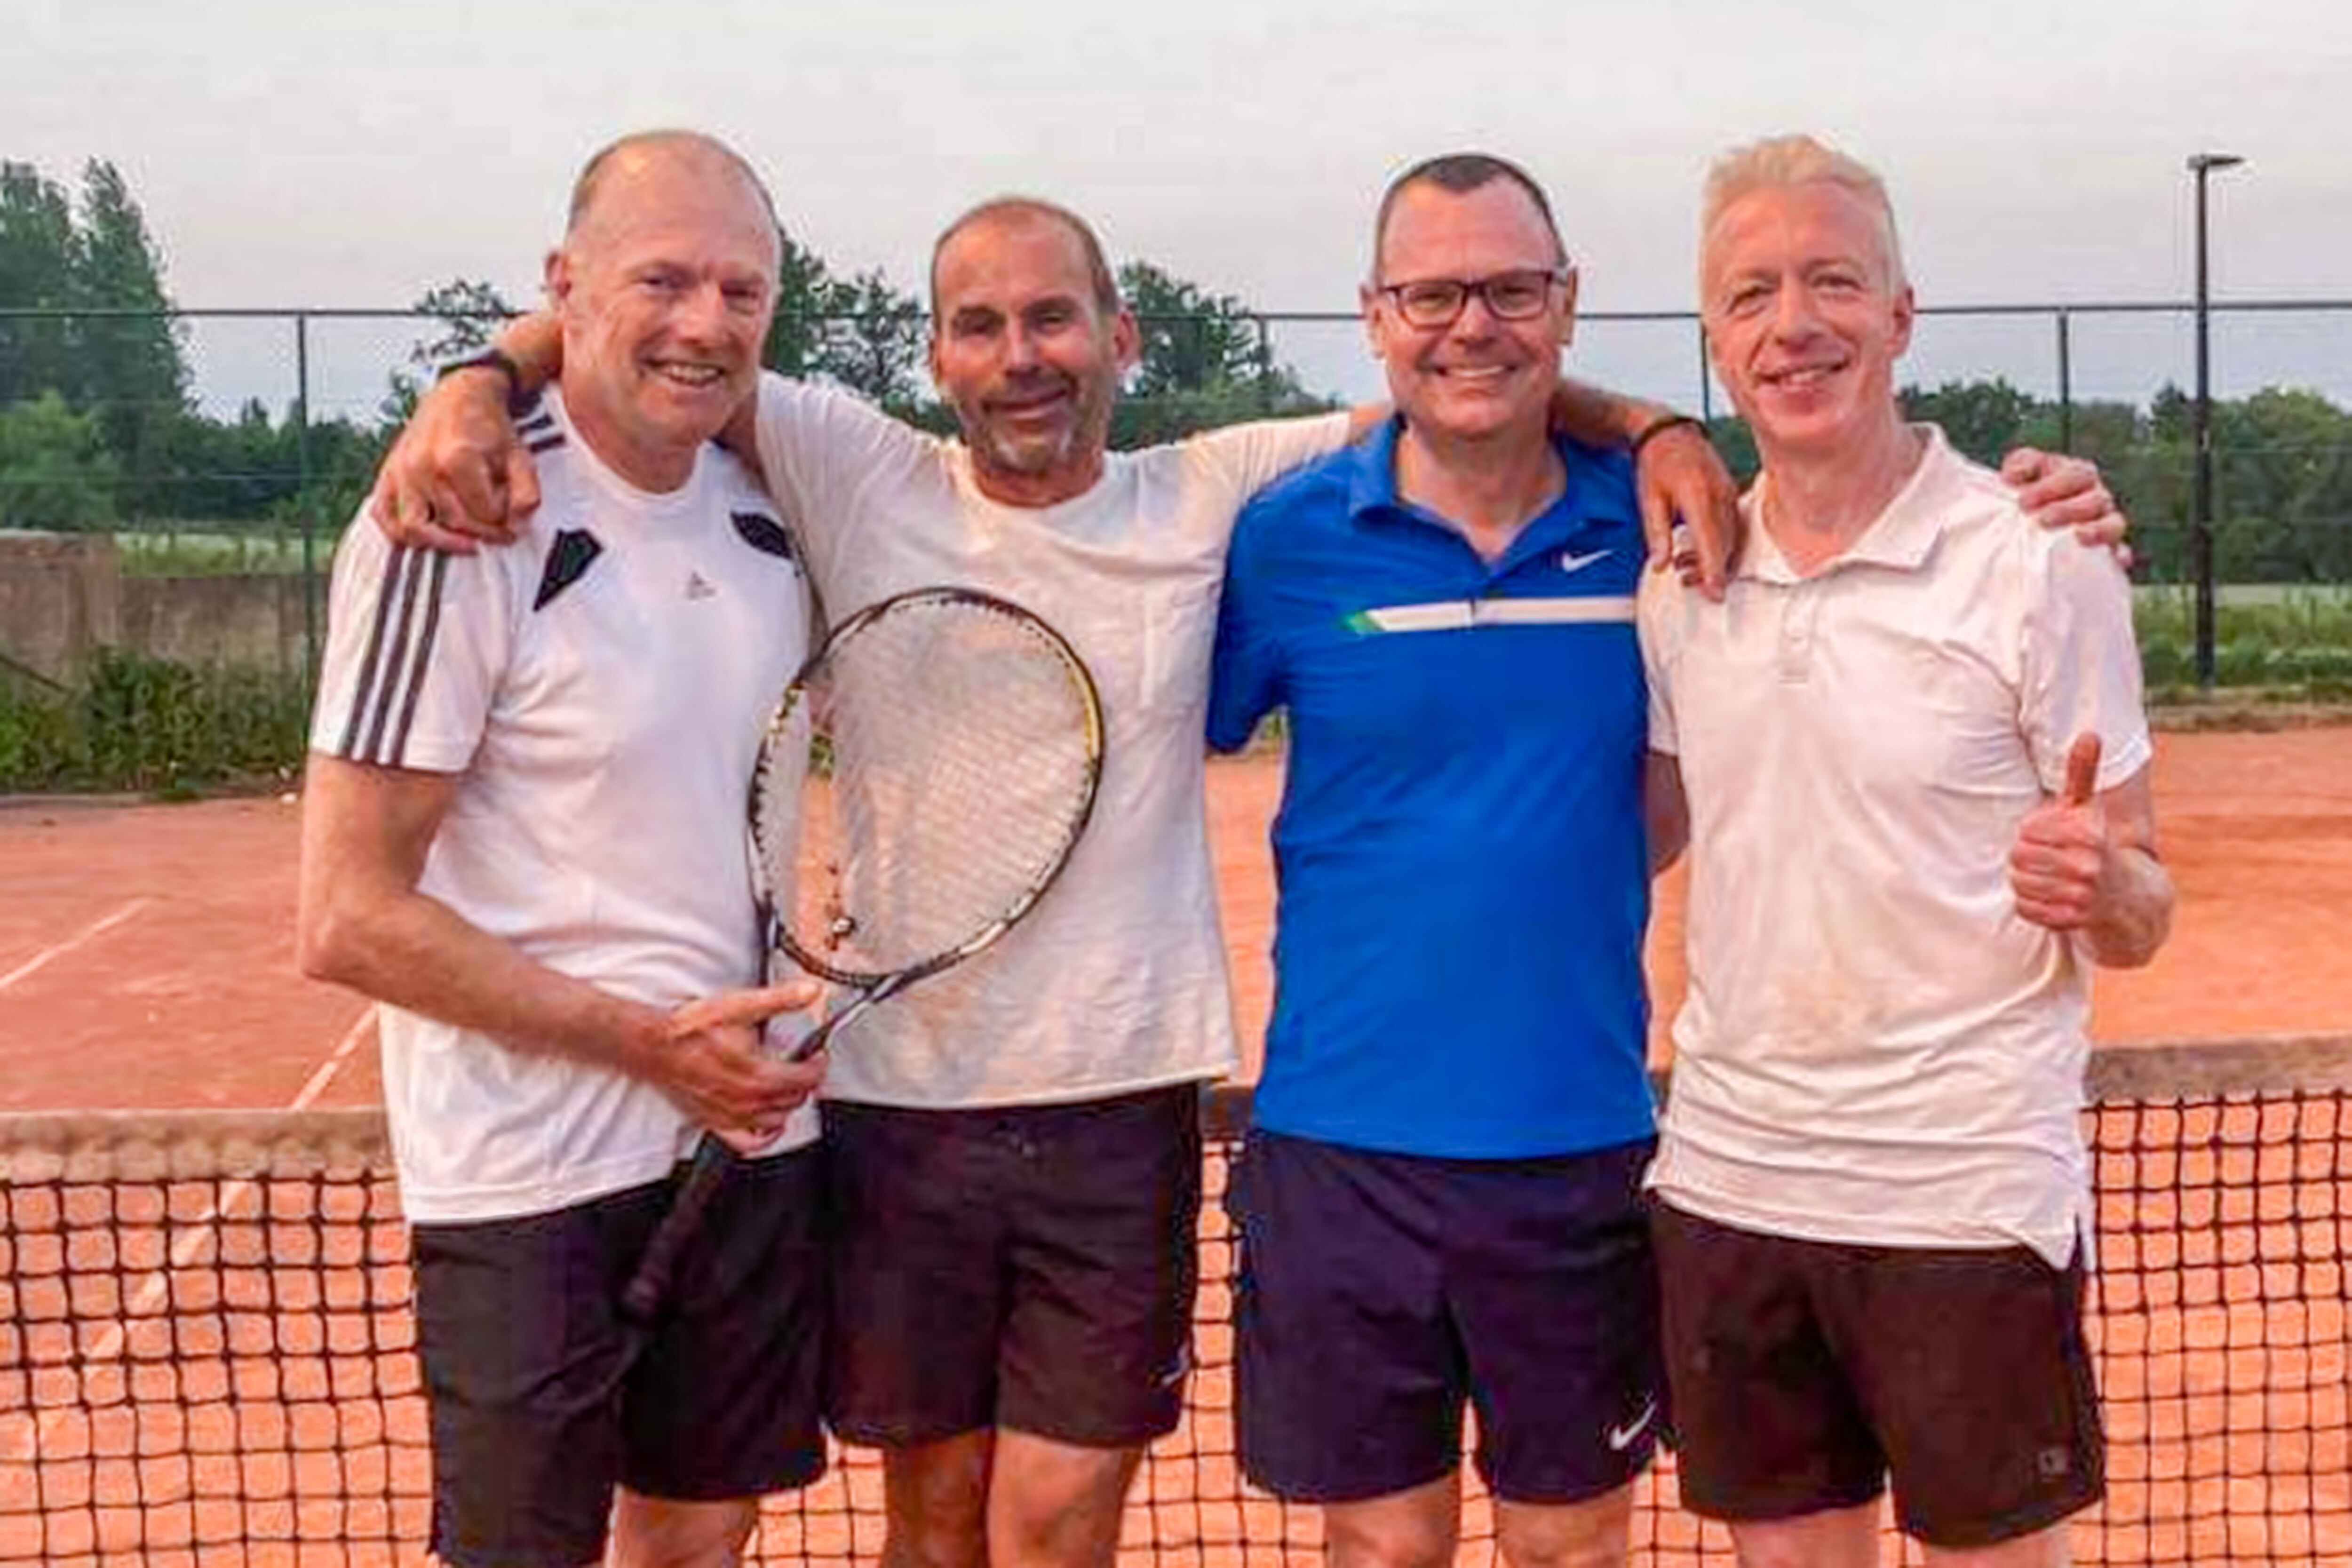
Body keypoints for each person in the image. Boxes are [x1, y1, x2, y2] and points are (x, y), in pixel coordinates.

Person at [374, 185, 1740, 1568]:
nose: (1021, 354)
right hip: (902, 1110)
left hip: (1118, 1107)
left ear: (1119, 335)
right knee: (934, 1525)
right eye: (980, 326)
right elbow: (652, 328)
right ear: (936, 356)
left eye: (1053, 318)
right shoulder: (852, 466)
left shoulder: (1210, 492)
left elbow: (1462, 385)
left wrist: (1658, 429)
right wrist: (476, 381)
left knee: (1057, 1525)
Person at [1203, 151, 2135, 1568]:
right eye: (1432, 295)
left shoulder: (1661, 533)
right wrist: (1658, 424)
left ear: (1570, 300)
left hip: (1598, 1147)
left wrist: (1655, 437)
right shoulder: (1300, 541)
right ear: (1375, 313)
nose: (1472, 324)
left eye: (1512, 290)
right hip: (1352, 1149)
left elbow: (1695, 761)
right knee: (1379, 1548)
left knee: (1575, 1547)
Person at [1638, 135, 2176, 1568]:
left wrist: (2106, 887)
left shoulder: (2041, 557)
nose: (1793, 324)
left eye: (1832, 282)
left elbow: (2141, 901)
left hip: (1961, 1196)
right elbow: (1650, 833)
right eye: (1752, 294)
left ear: (1899, 314)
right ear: (1716, 340)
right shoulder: (1679, 590)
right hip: (1733, 1184)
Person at [296, 131, 830, 1568]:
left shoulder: (772, 497)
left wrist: (708, 1073)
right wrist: (649, 1046)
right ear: (565, 287)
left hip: (743, 1146)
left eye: (743, 290)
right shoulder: (456, 519)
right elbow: (345, 914)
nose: (705, 322)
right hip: (528, 1180)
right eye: (662, 280)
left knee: (702, 1539)